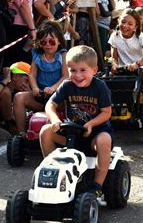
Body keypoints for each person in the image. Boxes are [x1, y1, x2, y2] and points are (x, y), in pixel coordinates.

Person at [39, 45, 113, 197]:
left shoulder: (100, 87)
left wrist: (91, 124)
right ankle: (55, 173)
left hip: (95, 133)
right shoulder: (67, 85)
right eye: (72, 70)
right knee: (45, 131)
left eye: (82, 70)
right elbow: (50, 104)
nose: (77, 75)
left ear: (94, 69)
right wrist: (54, 119)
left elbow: (107, 112)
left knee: (104, 140)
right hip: (71, 132)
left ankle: (97, 185)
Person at [13, 22, 68, 134]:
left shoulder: (63, 55)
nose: (48, 45)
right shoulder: (37, 54)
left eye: (52, 41)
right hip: (41, 96)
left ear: (59, 41)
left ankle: (68, 131)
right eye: (44, 42)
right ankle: (22, 134)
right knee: (18, 97)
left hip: (58, 99)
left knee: (70, 100)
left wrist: (53, 88)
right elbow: (32, 74)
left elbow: (66, 76)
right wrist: (34, 88)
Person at [109, 9, 143, 113]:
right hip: (122, 68)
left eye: (130, 24)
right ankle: (110, 106)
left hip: (139, 67)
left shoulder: (140, 36)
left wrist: (137, 64)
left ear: (136, 26)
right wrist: (115, 65)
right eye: (123, 22)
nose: (125, 26)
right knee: (105, 79)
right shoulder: (115, 36)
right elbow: (114, 57)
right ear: (118, 22)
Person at [1, 0, 36, 66]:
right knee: (16, 66)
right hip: (17, 26)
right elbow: (22, 3)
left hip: (17, 25)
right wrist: (32, 28)